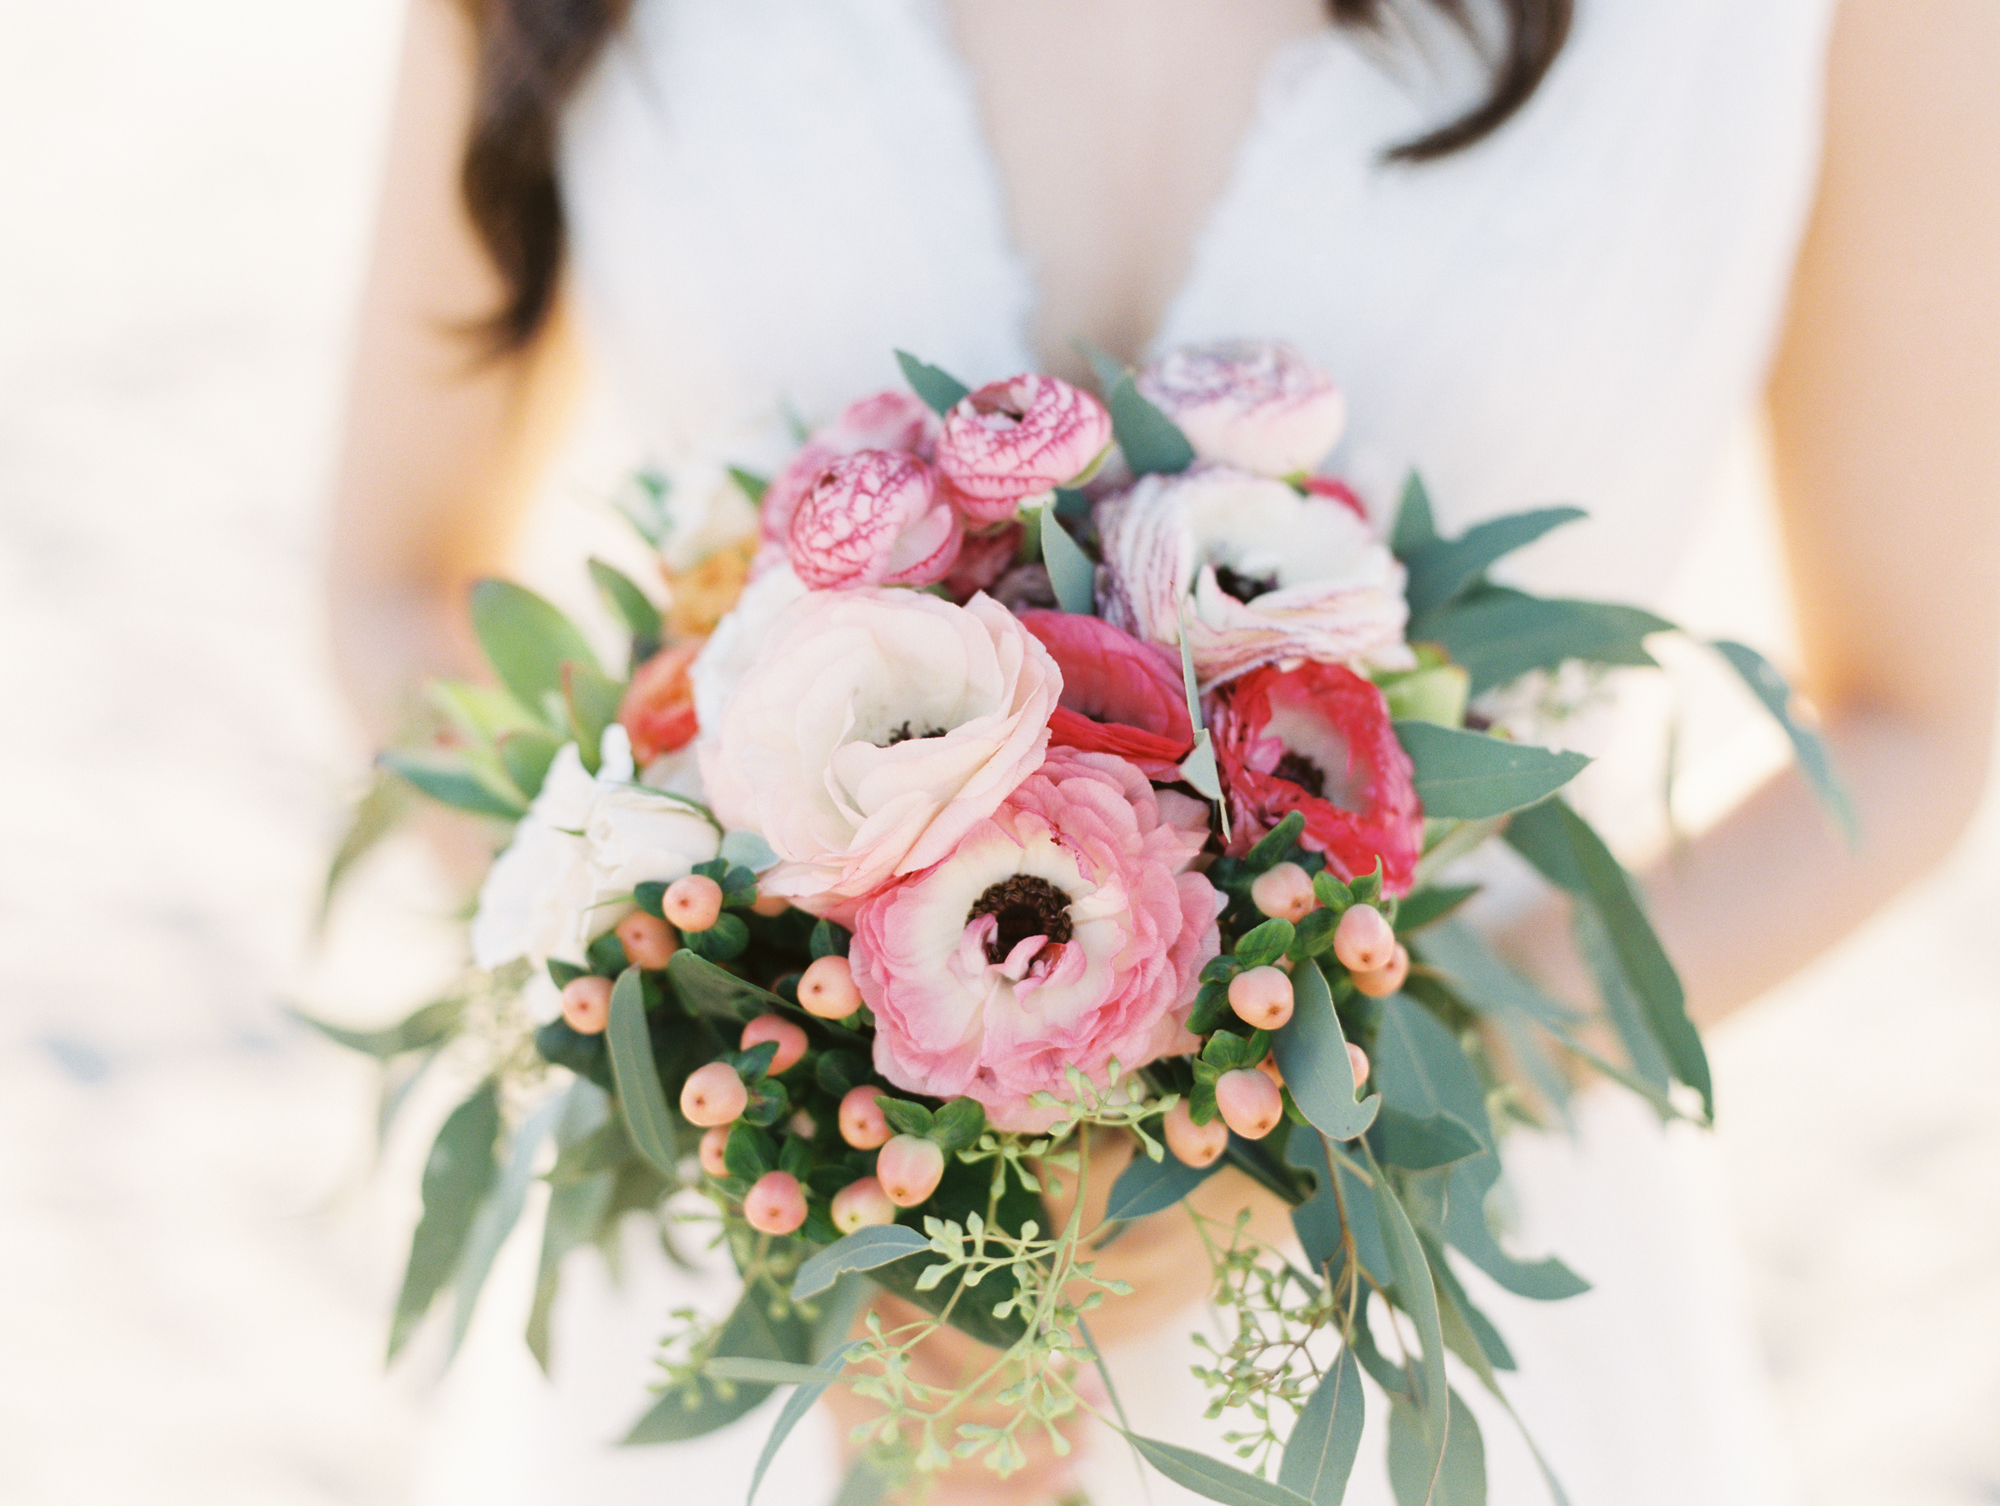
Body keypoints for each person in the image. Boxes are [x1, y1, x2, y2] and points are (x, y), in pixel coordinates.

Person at [326, 1, 2000, 1502]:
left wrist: (1311, 1141)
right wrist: (719, 1039)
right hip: (769, 1283)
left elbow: (1918, 723)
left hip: (1422, 1274)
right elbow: (394, 584)